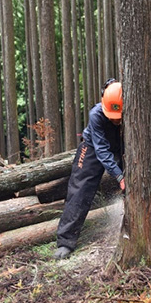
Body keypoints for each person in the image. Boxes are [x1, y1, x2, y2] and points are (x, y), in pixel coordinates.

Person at [53, 79, 125, 259]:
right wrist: (118, 175)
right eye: (113, 118)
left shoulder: (129, 108)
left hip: (123, 145)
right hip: (92, 147)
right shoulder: (96, 115)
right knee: (80, 189)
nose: (116, 122)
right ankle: (65, 241)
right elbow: (101, 150)